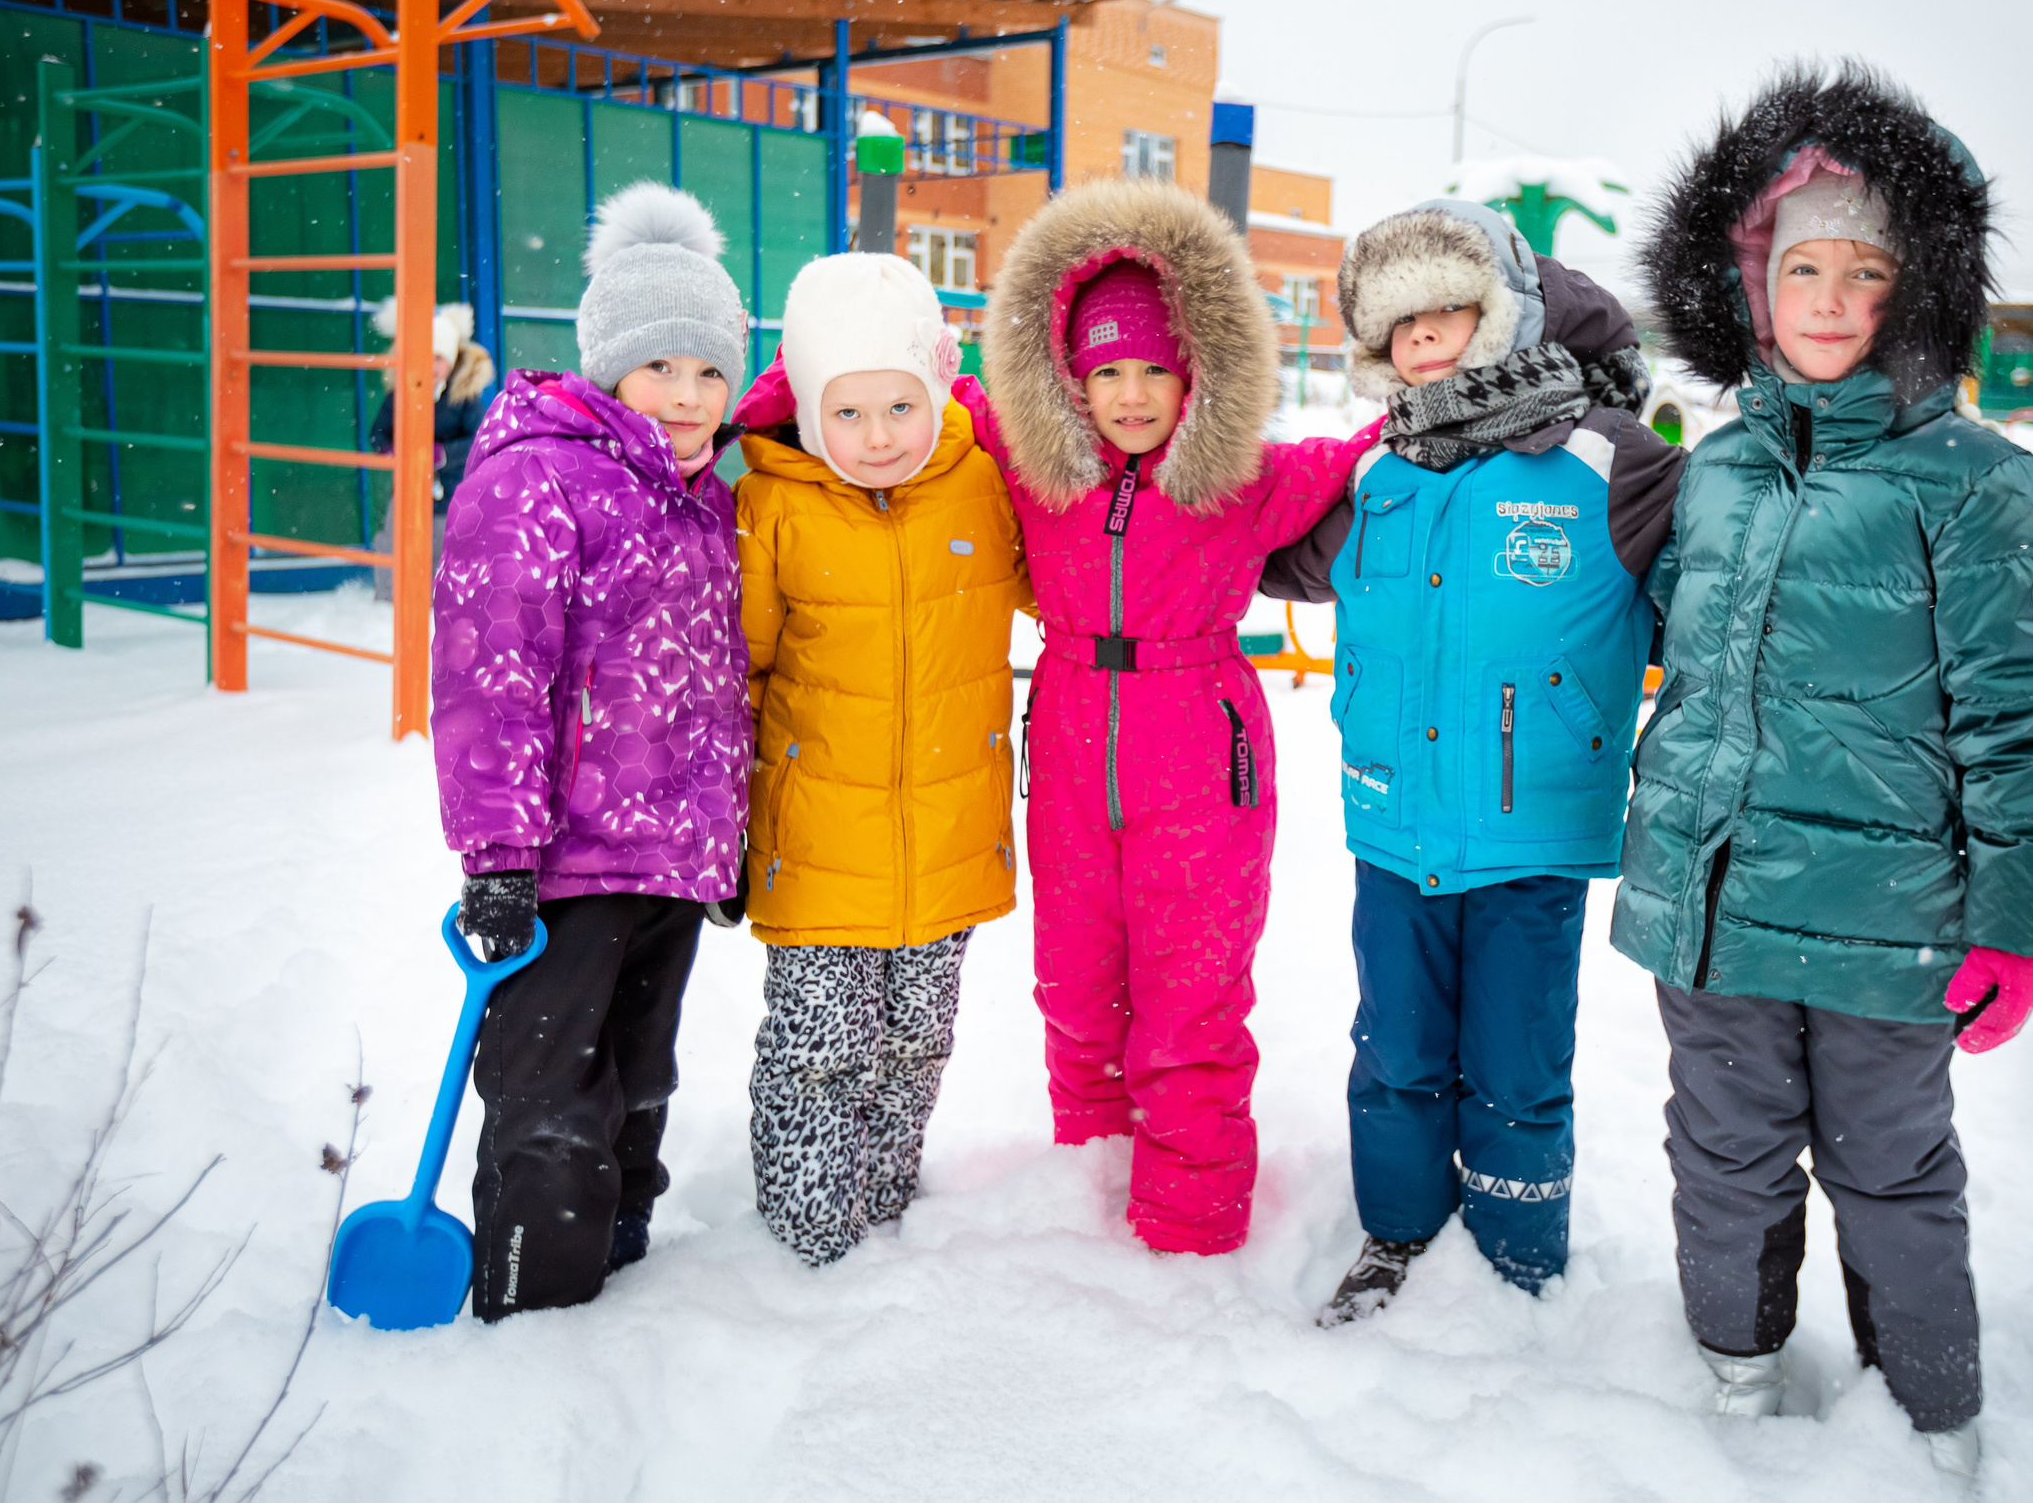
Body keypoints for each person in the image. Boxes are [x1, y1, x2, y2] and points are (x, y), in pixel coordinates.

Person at [1613, 66, 2033, 1477]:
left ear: (1918, 285)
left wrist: (2018, 917)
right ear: (1747, 285)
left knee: (1891, 1169)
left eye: (1862, 270)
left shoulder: (1977, 482)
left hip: (1891, 927)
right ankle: (1738, 1361)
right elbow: (1671, 662)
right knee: (1724, 1151)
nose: (1825, 298)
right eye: (1797, 265)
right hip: (1712, 908)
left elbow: (2025, 718)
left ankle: (1929, 1405)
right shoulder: (1714, 472)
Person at [1259, 199, 1684, 1318]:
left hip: (1527, 832)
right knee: (1394, 1048)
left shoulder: (1608, 460)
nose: (1426, 341)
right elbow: (1258, 555)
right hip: (1393, 821)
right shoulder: (1378, 475)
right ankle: (1397, 1234)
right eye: (1403, 329)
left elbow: (1715, 592)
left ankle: (1515, 1256)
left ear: (1501, 316)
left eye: (1449, 313)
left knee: (1518, 1059)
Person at [954, 179, 1381, 1256]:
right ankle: (1088, 1200)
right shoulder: (1026, 467)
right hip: (1065, 749)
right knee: (1077, 991)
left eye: (1156, 369)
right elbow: (894, 380)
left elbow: (1384, 445)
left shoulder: (1240, 479)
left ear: (1198, 376)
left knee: (1190, 1000)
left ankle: (1190, 1228)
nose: (1133, 395)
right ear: (1069, 380)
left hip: (1201, 758)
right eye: (1107, 372)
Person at [430, 181, 751, 1320]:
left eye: (712, 371)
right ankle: (533, 1308)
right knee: (551, 1100)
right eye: (663, 366)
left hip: (669, 855)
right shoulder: (535, 479)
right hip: (564, 862)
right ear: (609, 362)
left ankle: (617, 1278)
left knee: (638, 1082)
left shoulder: (704, 499)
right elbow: (489, 675)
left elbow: (713, 682)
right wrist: (501, 853)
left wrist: (728, 829)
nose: (689, 393)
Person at [726, 252, 1030, 1266]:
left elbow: (1064, 584)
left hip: (947, 836)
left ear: (935, 392)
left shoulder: (981, 487)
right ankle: (815, 1235)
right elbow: (743, 669)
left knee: (914, 1044)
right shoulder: (773, 506)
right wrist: (728, 823)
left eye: (898, 406)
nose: (877, 437)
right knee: (820, 1053)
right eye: (844, 415)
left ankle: (888, 1200)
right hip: (816, 842)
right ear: (808, 415)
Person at [367, 298, 493, 603]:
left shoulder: (464, 399)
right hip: (408, 487)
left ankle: (440, 600)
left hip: (449, 490)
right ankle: (389, 599)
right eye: (423, 356)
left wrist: (444, 455)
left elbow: (480, 440)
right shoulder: (400, 396)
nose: (430, 365)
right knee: (394, 540)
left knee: (441, 544)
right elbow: (378, 432)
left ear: (451, 362)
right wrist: (388, 451)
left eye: (438, 357)